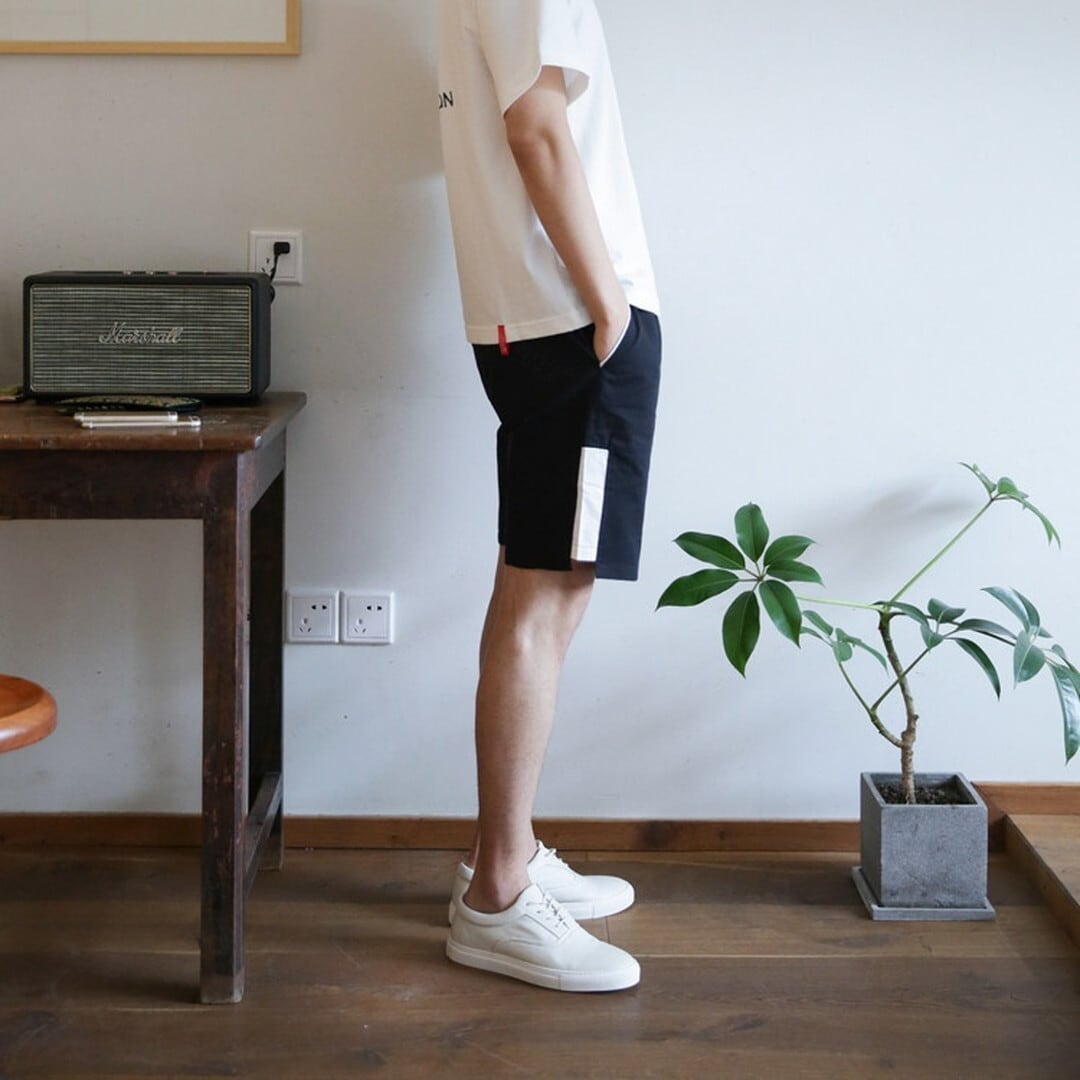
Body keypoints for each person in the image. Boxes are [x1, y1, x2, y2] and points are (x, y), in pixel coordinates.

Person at [437, 0, 661, 992]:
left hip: (538, 321)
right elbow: (534, 129)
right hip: (571, 319)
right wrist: (610, 305)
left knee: (534, 583)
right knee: (549, 594)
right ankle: (497, 897)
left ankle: (508, 855)